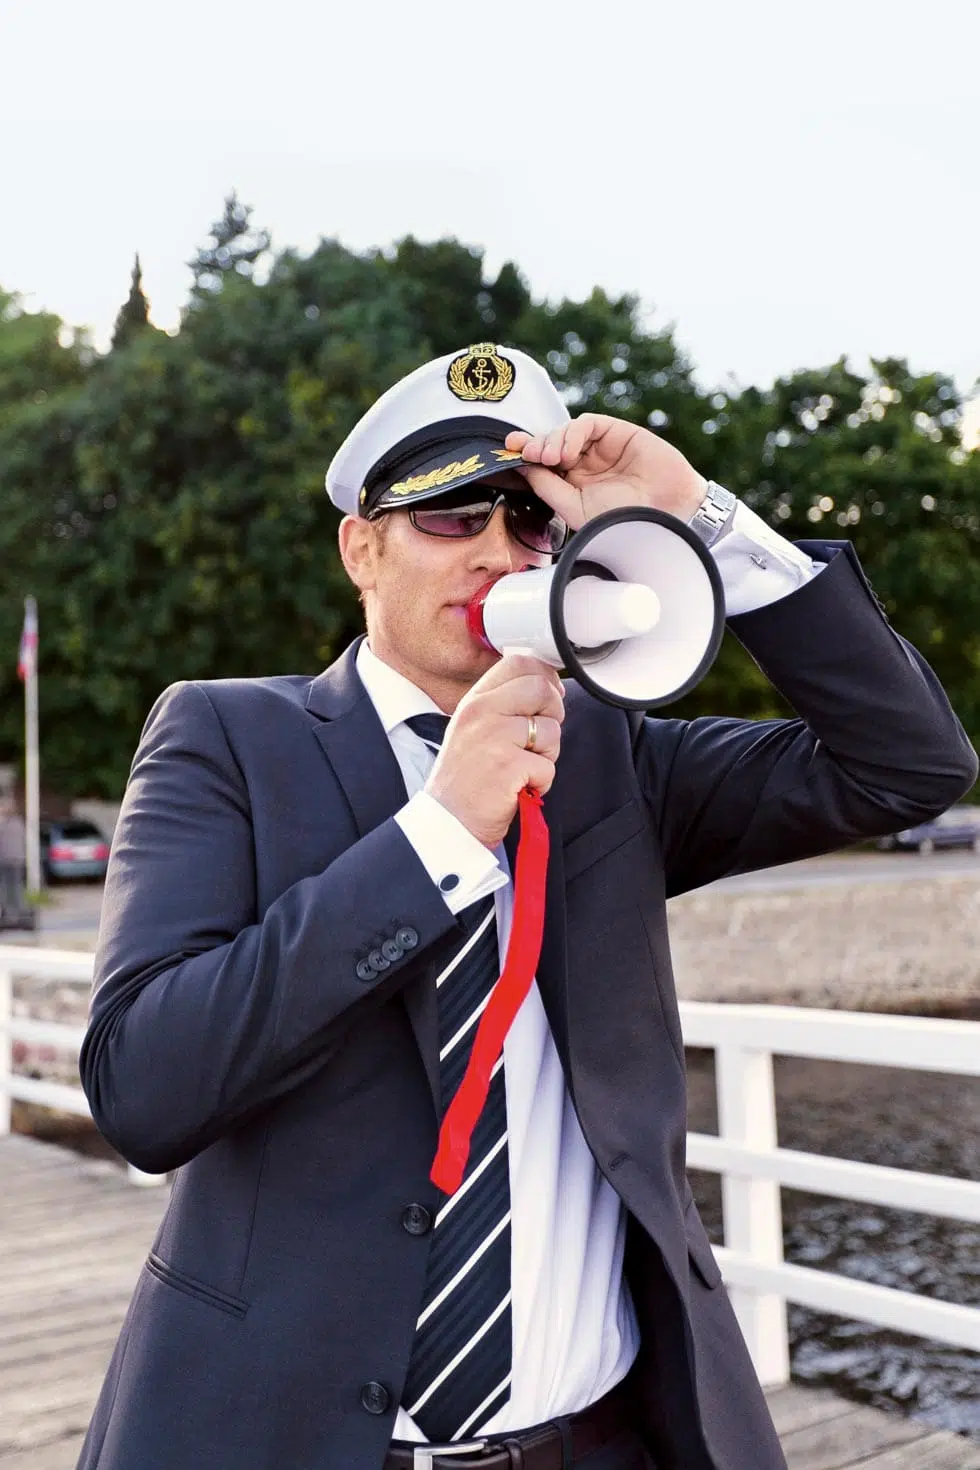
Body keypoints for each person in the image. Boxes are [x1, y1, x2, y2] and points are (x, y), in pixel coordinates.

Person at [77, 343, 977, 1470]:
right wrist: (439, 834)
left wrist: (695, 514)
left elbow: (906, 764)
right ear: (361, 548)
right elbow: (141, 1086)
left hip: (597, 1441)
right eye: (451, 516)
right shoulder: (227, 737)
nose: (499, 551)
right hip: (292, 1439)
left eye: (531, 523)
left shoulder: (612, 757)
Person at [0, 796, 27, 926]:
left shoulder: (6, 824)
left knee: (9, 887)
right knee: (14, 887)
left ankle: (11, 915)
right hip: (15, 859)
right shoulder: (19, 823)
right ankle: (14, 913)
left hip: (7, 860)